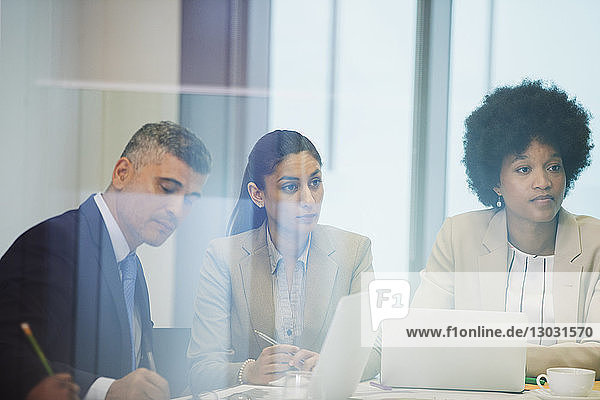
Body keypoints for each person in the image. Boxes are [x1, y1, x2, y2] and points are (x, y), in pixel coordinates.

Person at [0, 121, 212, 399]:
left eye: (190, 200)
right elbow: (8, 354)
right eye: (167, 188)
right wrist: (106, 390)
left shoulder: (130, 263)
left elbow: (127, 363)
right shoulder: (55, 243)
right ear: (122, 173)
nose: (177, 210)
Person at [412, 80, 600, 376]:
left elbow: (596, 353)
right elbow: (423, 331)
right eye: (524, 169)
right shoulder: (459, 235)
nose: (543, 182)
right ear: (496, 182)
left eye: (553, 167)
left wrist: (495, 355)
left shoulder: (594, 243)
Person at [187, 130, 378, 394]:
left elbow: (375, 352)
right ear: (257, 195)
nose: (309, 201)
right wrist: (248, 371)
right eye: (291, 187)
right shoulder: (223, 257)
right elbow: (201, 369)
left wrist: (332, 366)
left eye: (315, 183)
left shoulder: (354, 251)